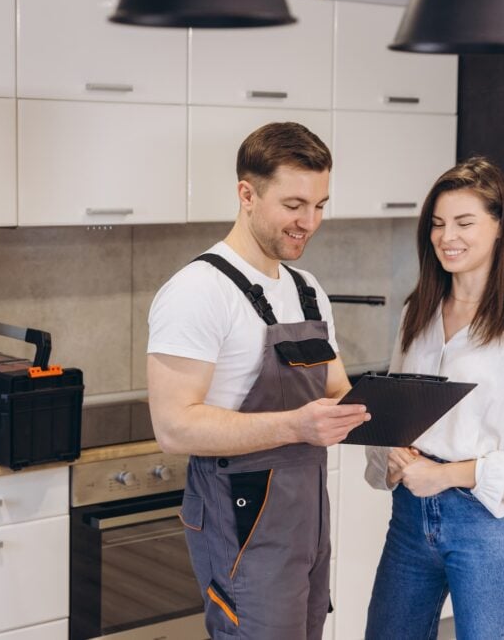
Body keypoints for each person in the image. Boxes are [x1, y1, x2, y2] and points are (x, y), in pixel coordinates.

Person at [147, 122, 371, 640]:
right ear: (247, 194)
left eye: (320, 205)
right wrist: (297, 426)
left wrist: (404, 409)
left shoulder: (307, 288)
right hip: (241, 518)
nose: (309, 222)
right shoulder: (197, 291)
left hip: (306, 519)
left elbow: (336, 391)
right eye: (294, 205)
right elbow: (174, 429)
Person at [363, 156, 504, 639]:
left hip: (484, 526)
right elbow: (395, 414)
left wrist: (444, 475)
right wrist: (392, 454)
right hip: (409, 520)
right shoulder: (416, 313)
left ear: (501, 227)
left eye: (464, 222)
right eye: (438, 224)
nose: (447, 237)